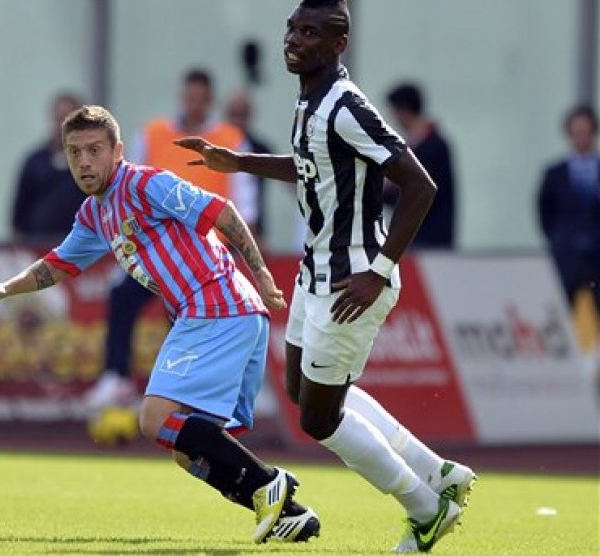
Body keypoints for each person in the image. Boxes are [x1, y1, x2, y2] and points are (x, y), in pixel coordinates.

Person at [174, 1, 475, 552]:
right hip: (318, 273)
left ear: (338, 44)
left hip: (352, 279)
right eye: (292, 27)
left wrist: (380, 272)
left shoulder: (346, 105)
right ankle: (438, 473)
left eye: (310, 31)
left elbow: (421, 186)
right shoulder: (310, 98)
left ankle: (425, 507)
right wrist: (238, 163)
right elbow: (309, 164)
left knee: (318, 419)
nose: (294, 38)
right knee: (301, 391)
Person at [0, 105, 320, 544]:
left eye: (94, 150)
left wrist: (264, 275)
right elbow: (58, 265)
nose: (84, 162)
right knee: (188, 449)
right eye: (74, 152)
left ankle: (268, 486)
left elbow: (222, 210)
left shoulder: (144, 183)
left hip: (217, 308)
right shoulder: (96, 213)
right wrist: (5, 289)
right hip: (229, 316)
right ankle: (288, 512)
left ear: (117, 151)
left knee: (155, 419)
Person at [84, 69, 260, 409]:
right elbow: (126, 186)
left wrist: (245, 252)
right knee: (122, 297)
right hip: (158, 251)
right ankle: (116, 377)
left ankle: (182, 391)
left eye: (200, 99)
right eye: (188, 98)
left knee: (189, 321)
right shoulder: (154, 134)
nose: (193, 105)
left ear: (210, 100)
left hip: (207, 257)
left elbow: (245, 206)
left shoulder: (230, 139)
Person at [537, 105, 600, 310]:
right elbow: (545, 211)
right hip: (567, 256)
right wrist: (558, 238)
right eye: (577, 132)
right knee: (562, 312)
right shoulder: (555, 173)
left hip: (597, 254)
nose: (581, 137)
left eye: (586, 132)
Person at [384, 83, 456, 249]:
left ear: (404, 110)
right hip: (424, 236)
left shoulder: (430, 147)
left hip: (428, 237)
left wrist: (384, 191)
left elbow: (418, 191)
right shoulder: (425, 145)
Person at [11, 92, 86, 244]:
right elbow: (20, 215)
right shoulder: (35, 162)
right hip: (39, 251)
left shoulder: (95, 164)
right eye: (59, 119)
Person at [226, 91, 274, 236]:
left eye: (243, 114)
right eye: (234, 114)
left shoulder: (259, 149)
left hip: (253, 229)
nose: (238, 120)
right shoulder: (217, 146)